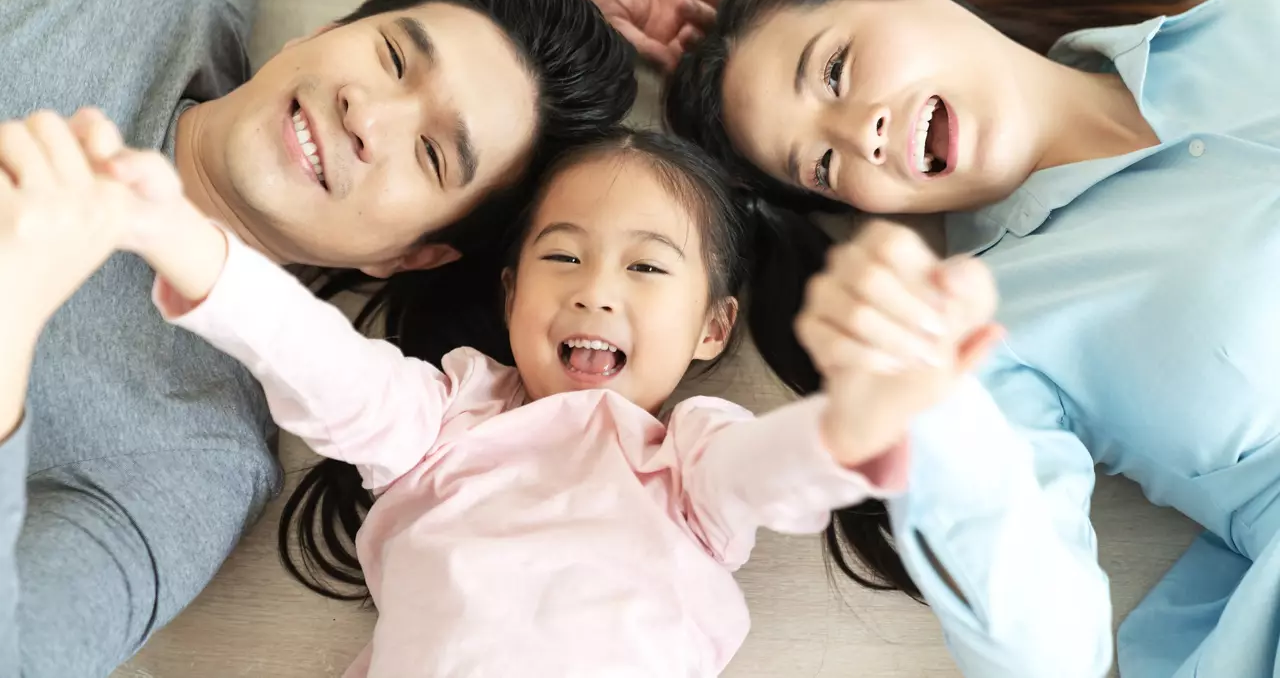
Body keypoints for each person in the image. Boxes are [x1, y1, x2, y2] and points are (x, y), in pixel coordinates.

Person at [0, 0, 732, 673]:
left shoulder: (190, 453)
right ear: (314, 34)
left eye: (429, 155)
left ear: (410, 255)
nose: (368, 115)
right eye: (391, 56)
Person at [12, 117, 1000, 676]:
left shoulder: (687, 459)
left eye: (646, 269)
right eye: (561, 255)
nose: (594, 288)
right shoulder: (441, 420)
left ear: (712, 328)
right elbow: (317, 358)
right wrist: (177, 234)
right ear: (509, 292)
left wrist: (857, 420)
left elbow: (772, 471)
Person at [666, 0, 1277, 676]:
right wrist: (928, 403)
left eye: (836, 70)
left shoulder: (1251, 19)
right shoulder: (988, 342)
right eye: (826, 164)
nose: (861, 132)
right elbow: (1046, 653)